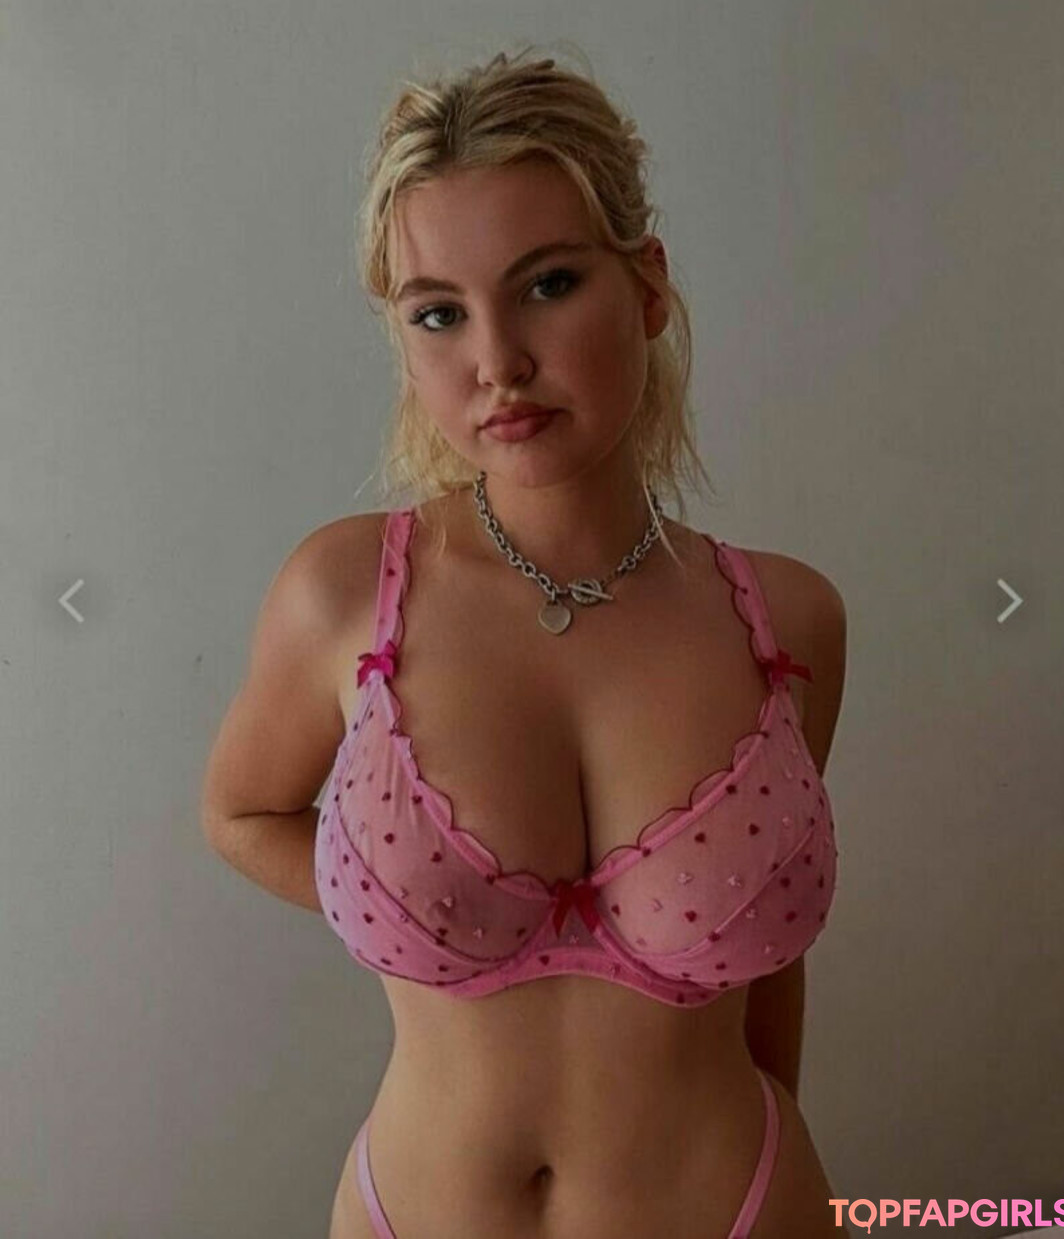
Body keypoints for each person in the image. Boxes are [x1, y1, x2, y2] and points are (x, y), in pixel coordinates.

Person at [202, 43, 848, 1239]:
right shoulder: (343, 597)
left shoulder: (787, 622)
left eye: (548, 284)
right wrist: (389, 898)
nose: (496, 362)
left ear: (646, 286)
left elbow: (764, 949)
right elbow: (240, 813)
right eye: (439, 313)